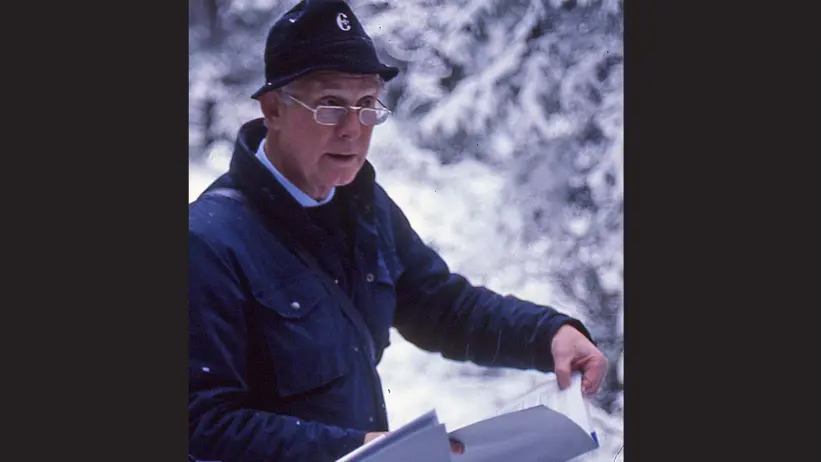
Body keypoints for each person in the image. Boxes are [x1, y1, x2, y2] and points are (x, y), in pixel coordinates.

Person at [188, 0, 609, 461]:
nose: (353, 129)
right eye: (330, 106)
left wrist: (548, 335)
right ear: (273, 109)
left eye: (367, 105)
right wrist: (356, 449)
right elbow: (202, 424)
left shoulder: (364, 208)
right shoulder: (208, 242)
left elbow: (441, 306)